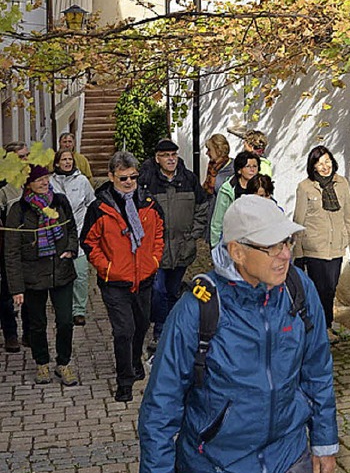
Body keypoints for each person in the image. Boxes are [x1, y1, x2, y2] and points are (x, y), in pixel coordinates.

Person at [138, 195, 338, 473]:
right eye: (271, 246)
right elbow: (160, 406)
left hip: (287, 459)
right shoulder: (197, 309)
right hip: (215, 470)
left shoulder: (298, 289)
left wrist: (324, 442)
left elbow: (317, 368)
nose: (286, 254)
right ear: (237, 252)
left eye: (287, 242)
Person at [81, 151, 164, 402]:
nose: (129, 182)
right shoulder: (100, 207)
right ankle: (124, 379)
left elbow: (160, 235)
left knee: (141, 325)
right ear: (111, 176)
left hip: (144, 277)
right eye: (123, 178)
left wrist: (153, 260)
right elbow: (89, 242)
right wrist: (106, 267)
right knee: (123, 330)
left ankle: (136, 358)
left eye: (133, 177)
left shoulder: (149, 203)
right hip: (115, 280)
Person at [5, 165, 78, 385]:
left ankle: (63, 363)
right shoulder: (18, 211)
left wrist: (71, 249)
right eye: (38, 180)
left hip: (60, 270)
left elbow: (72, 229)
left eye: (46, 178)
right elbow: (11, 251)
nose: (44, 182)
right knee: (37, 323)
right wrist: (16, 288)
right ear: (28, 184)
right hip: (33, 276)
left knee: (66, 321)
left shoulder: (60, 202)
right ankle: (42, 363)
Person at [138, 139, 209, 352]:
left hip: (182, 247)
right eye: (166, 155)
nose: (170, 159)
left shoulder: (189, 179)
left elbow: (202, 207)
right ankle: (160, 330)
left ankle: (173, 327)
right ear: (157, 158)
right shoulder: (147, 180)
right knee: (157, 290)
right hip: (156, 249)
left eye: (173, 155)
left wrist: (192, 235)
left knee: (172, 289)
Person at [293, 145, 350, 341]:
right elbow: (299, 220)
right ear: (313, 166)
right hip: (314, 247)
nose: (325, 166)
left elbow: (349, 217)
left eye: (327, 161)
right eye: (320, 163)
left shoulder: (342, 183)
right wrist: (298, 254)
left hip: (336, 246)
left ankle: (321, 323)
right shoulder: (305, 187)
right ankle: (324, 327)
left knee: (330, 288)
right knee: (321, 289)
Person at [51, 148, 96, 327]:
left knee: (81, 274)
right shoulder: (50, 181)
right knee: (61, 274)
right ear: (57, 163)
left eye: (70, 159)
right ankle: (64, 309)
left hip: (79, 232)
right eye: (64, 160)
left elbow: (91, 203)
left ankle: (79, 310)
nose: (68, 162)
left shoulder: (82, 180)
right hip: (57, 235)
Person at [0, 141, 31, 351]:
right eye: (21, 156)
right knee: (6, 292)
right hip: (8, 248)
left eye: (27, 155)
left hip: (32, 246)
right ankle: (10, 333)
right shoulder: (3, 187)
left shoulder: (34, 181)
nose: (26, 160)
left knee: (32, 292)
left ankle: (29, 333)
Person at [209, 150, 260, 249]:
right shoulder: (228, 189)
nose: (252, 170)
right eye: (248, 166)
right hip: (233, 240)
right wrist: (215, 246)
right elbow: (218, 220)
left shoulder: (261, 188)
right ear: (239, 170)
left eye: (255, 166)